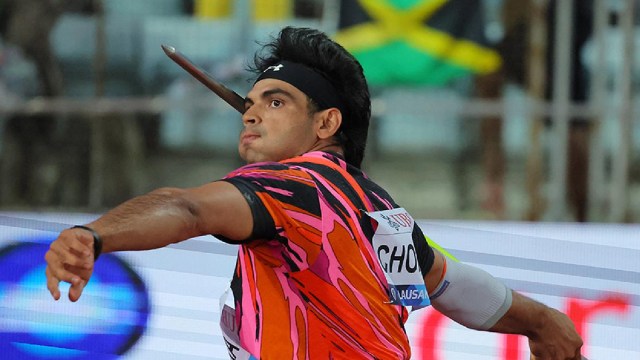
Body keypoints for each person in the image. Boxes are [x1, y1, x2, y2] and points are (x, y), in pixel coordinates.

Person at [45, 27, 583, 359]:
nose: (252, 111)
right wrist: (543, 321)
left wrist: (96, 234)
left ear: (326, 123)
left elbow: (188, 209)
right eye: (252, 101)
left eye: (276, 102)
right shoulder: (377, 208)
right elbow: (450, 285)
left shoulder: (292, 185)